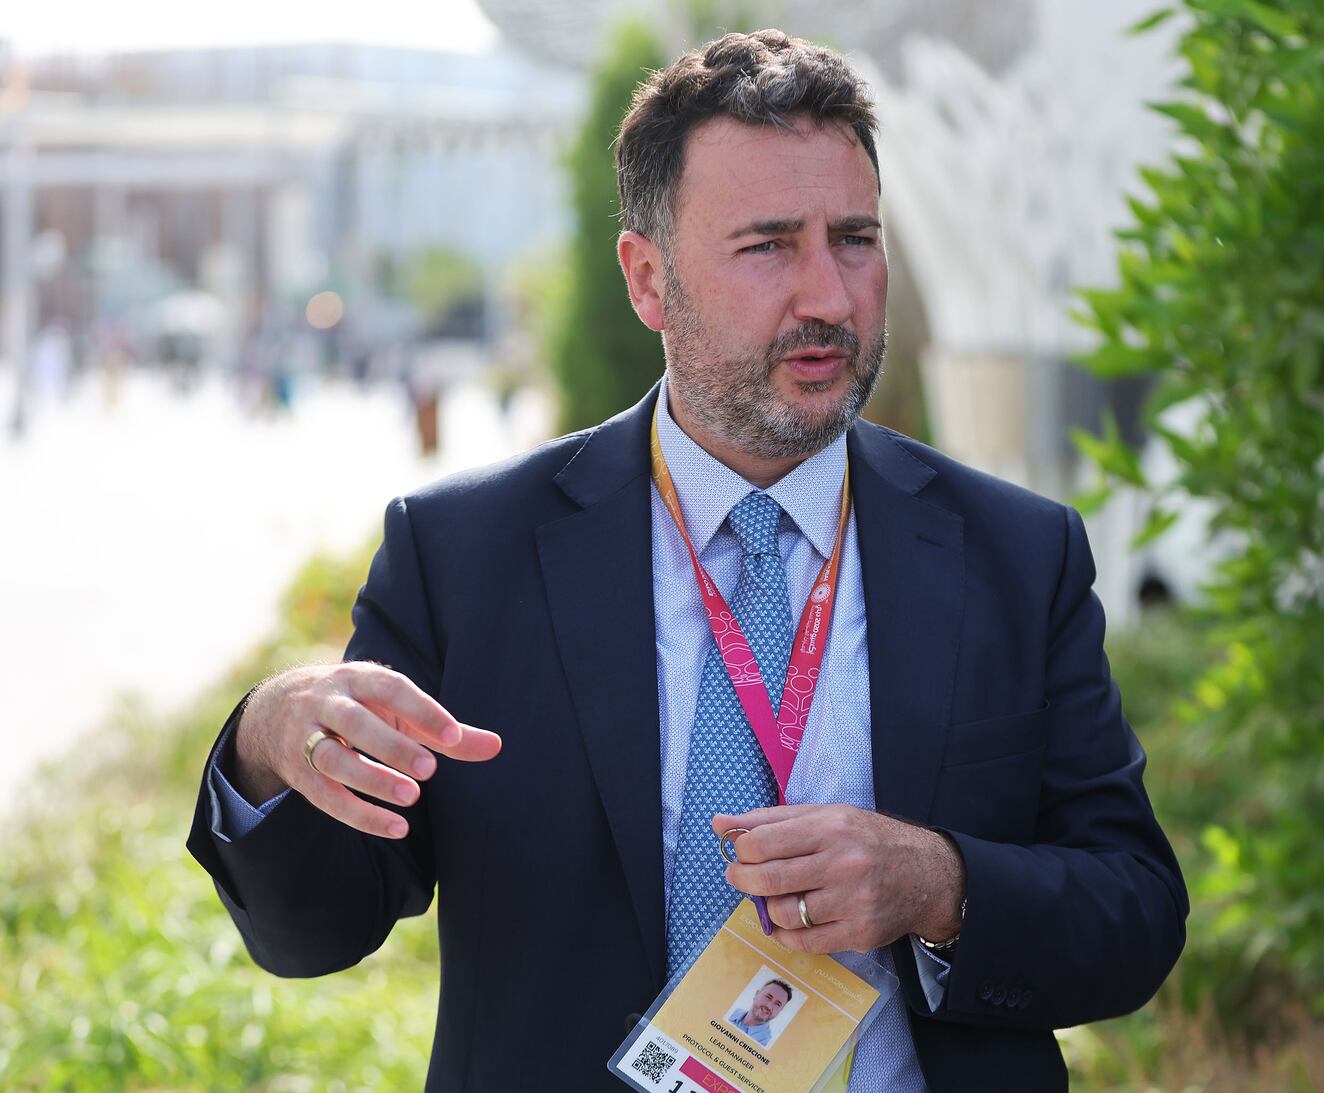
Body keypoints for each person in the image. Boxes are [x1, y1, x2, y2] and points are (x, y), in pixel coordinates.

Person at [187, 29, 1186, 1091]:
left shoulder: (1014, 555)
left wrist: (940, 884)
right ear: (647, 278)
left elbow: (1132, 910)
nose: (829, 298)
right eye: (766, 246)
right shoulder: (466, 556)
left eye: (853, 238)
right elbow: (314, 934)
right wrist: (264, 744)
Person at [729, 979, 793, 1047]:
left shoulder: (766, 1044)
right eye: (768, 997)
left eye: (778, 1004)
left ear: (781, 1010)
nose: (769, 1006)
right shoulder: (731, 1011)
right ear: (756, 994)